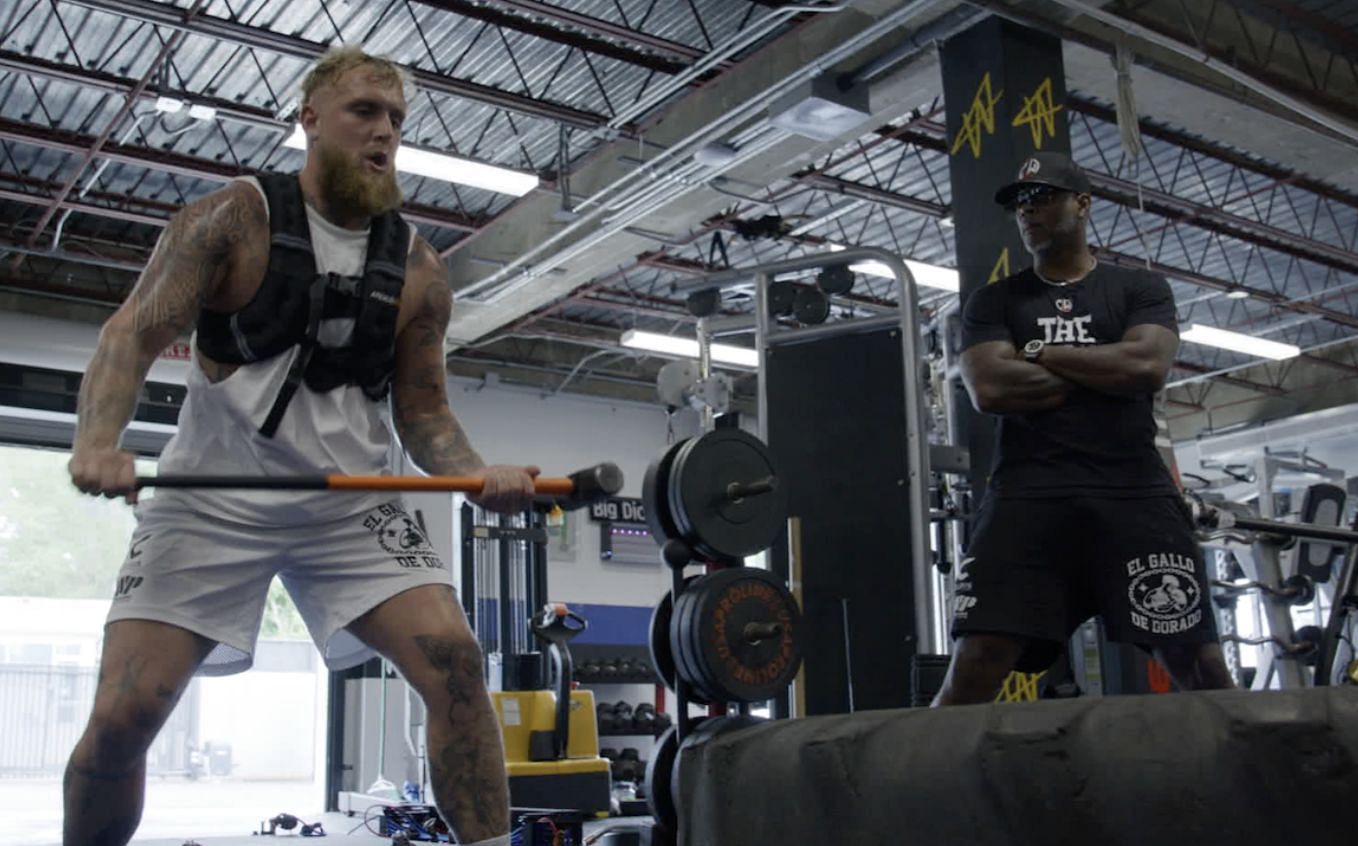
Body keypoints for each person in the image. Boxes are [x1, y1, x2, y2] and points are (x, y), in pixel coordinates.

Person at [64, 46, 534, 846]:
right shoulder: (230, 221)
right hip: (209, 502)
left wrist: (473, 472)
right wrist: (97, 441)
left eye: (395, 120)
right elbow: (132, 334)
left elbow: (424, 414)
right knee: (125, 713)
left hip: (351, 510)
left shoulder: (419, 269)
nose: (384, 133)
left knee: (456, 663)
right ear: (309, 120)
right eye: (364, 112)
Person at [933, 151, 1235, 706]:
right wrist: (1104, 368)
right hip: (1029, 493)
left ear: (1083, 204)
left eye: (1043, 198)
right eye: (1022, 203)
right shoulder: (995, 300)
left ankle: (1261, 780)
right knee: (977, 661)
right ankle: (916, 790)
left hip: (1133, 493)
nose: (1029, 212)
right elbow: (992, 390)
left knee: (1198, 660)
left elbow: (1145, 366)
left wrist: (1042, 350)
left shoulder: (1138, 289)